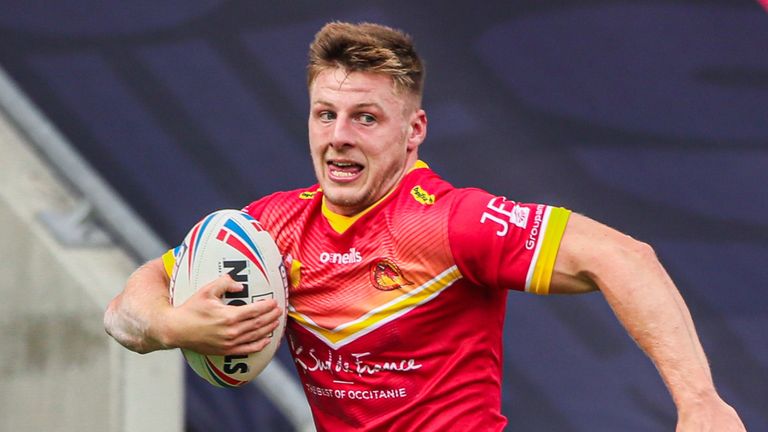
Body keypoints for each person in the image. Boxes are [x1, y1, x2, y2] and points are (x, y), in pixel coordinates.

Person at [104, 21, 745, 431]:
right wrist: (169, 324)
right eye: (324, 114)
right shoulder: (274, 225)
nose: (338, 137)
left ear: (414, 132)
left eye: (366, 118)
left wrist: (700, 402)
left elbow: (626, 258)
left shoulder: (449, 222)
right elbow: (127, 306)